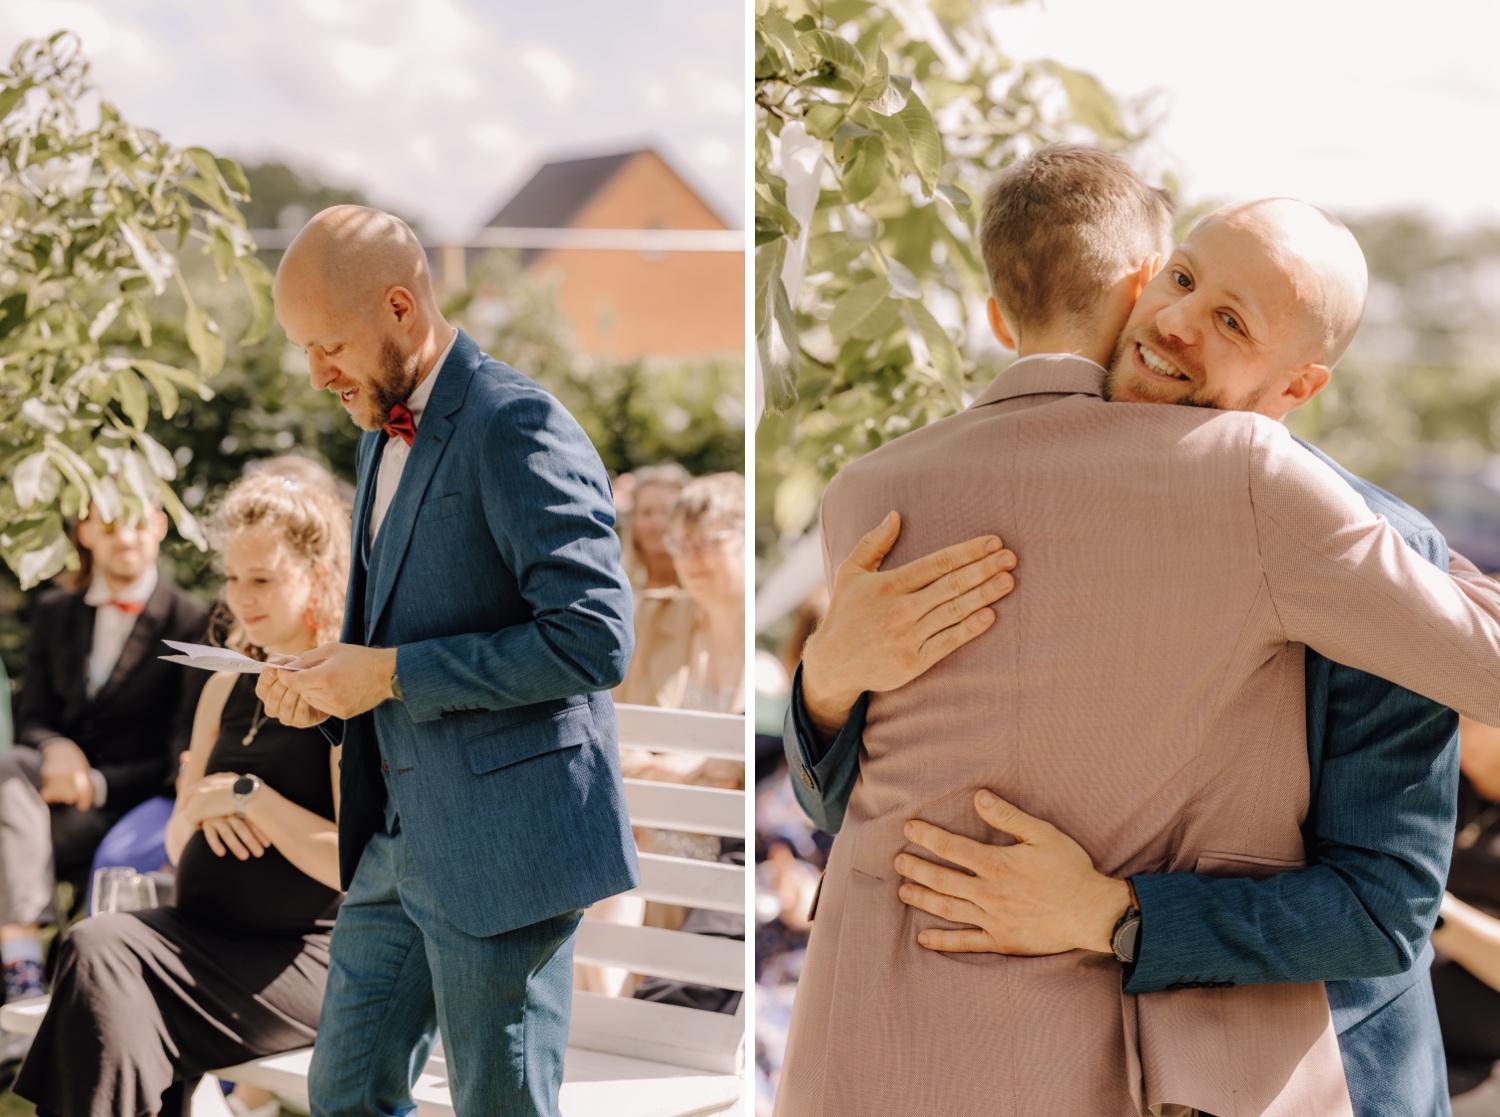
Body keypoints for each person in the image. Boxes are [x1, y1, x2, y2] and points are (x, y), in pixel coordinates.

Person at [773, 150, 1500, 1115]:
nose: (1176, 323)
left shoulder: (1358, 537)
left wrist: (1111, 913)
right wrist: (827, 679)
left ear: (1299, 385)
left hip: (1312, 1072)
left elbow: (1381, 908)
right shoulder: (945, 493)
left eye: (1232, 322)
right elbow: (858, 808)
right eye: (1184, 277)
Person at [255, 205, 638, 1117]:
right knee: (342, 1093)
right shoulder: (372, 429)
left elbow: (594, 636)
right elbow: (393, 633)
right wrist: (331, 690)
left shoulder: (517, 423)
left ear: (399, 305)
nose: (316, 373)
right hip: (393, 842)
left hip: (508, 851)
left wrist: (387, 674)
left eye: (329, 344)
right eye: (304, 349)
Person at [14, 467, 350, 1117]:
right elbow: (181, 836)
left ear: (317, 572)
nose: (241, 598)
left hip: (301, 961)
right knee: (98, 948)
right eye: (232, 578)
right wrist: (198, 804)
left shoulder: (341, 687)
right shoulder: (225, 682)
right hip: (196, 937)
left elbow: (353, 864)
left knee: (105, 961)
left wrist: (249, 795)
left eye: (262, 579)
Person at [0, 505, 207, 1005]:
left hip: (129, 804)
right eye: (110, 526)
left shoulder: (190, 619)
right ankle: (24, 966)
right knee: (9, 767)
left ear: (159, 527)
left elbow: (179, 749)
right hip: (44, 797)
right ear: (85, 533)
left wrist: (97, 783)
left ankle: (40, 987)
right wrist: (56, 747)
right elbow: (32, 716)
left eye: (137, 523)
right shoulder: (55, 611)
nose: (126, 539)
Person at [617, 472, 746, 715]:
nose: (689, 557)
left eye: (706, 541)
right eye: (681, 543)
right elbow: (614, 724)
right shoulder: (647, 619)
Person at [620, 462, 692, 596]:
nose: (657, 523)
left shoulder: (706, 584)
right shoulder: (617, 582)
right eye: (646, 512)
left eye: (667, 511)